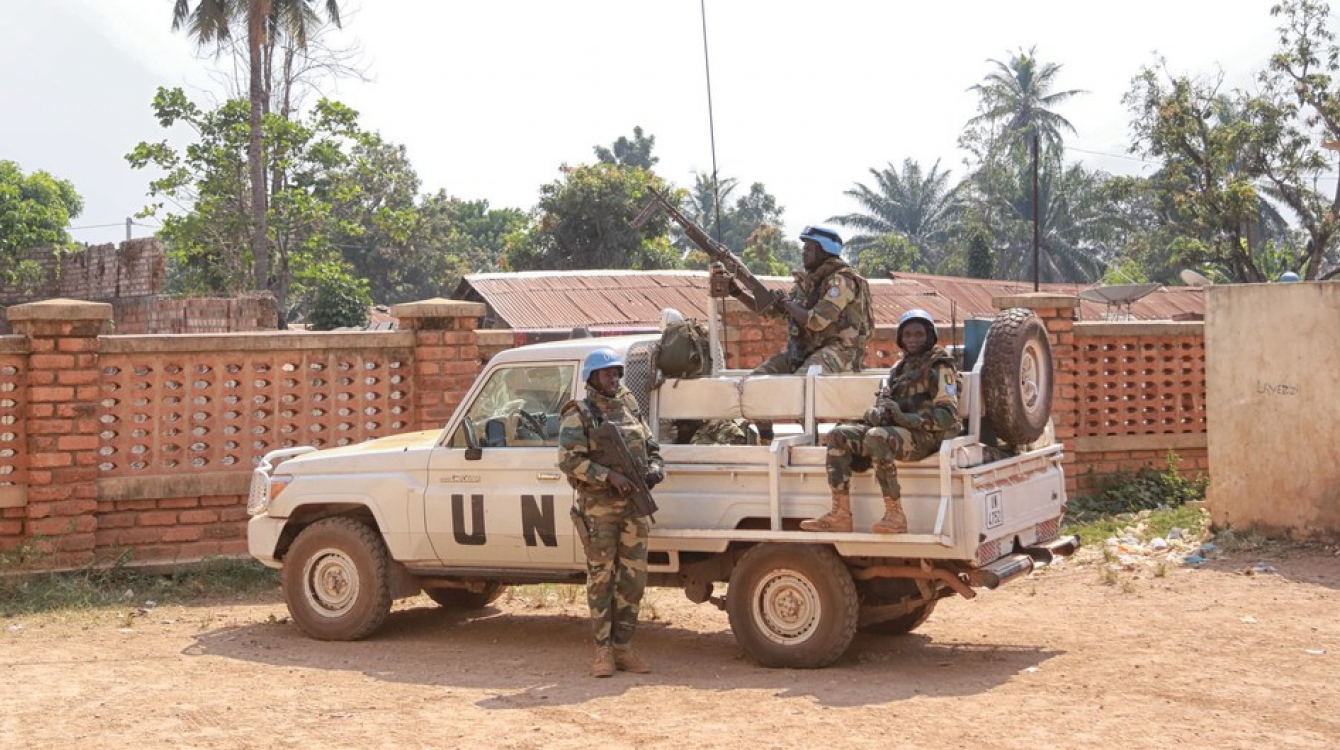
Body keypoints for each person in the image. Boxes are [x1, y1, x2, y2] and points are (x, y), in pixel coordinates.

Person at [800, 309, 960, 534]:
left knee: (877, 437)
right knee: (838, 435)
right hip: (898, 429)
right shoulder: (899, 368)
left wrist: (906, 418)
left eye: (919, 334)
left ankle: (895, 515)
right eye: (908, 335)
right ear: (901, 339)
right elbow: (887, 404)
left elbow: (947, 415)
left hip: (926, 435)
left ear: (930, 336)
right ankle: (840, 514)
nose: (913, 339)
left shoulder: (940, 366)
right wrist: (878, 413)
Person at [557, 347, 665, 677]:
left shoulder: (629, 407)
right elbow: (568, 461)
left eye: (617, 373)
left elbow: (652, 448)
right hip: (599, 510)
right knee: (601, 579)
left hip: (633, 508)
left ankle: (623, 648)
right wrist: (609, 476)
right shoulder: (580, 413)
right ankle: (602, 651)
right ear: (592, 378)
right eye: (607, 374)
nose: (614, 378)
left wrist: (655, 468)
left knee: (633, 579)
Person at [727, 224, 873, 440]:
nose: (803, 252)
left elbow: (817, 321)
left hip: (841, 351)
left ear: (824, 251)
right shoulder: (806, 284)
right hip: (805, 350)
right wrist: (737, 292)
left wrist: (786, 303)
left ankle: (810, 442)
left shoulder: (842, 281)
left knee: (801, 386)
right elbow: (771, 313)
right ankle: (766, 437)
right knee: (754, 384)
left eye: (809, 248)